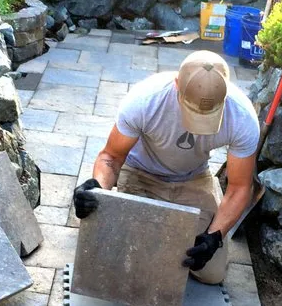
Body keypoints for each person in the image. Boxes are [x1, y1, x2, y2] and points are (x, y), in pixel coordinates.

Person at [72, 50, 260, 284]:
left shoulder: (242, 118)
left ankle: (203, 212)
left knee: (211, 273)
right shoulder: (145, 100)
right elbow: (111, 156)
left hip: (193, 178)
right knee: (126, 256)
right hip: (141, 173)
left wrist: (215, 236)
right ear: (176, 86)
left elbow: (240, 187)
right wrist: (97, 188)